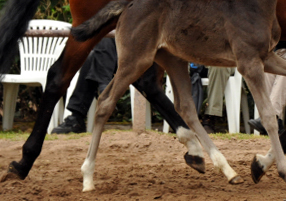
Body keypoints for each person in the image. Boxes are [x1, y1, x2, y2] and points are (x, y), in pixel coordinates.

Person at [53, 38, 202, 134]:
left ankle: (79, 115)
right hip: (123, 55)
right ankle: (102, 88)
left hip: (151, 55)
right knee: (96, 53)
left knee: (97, 54)